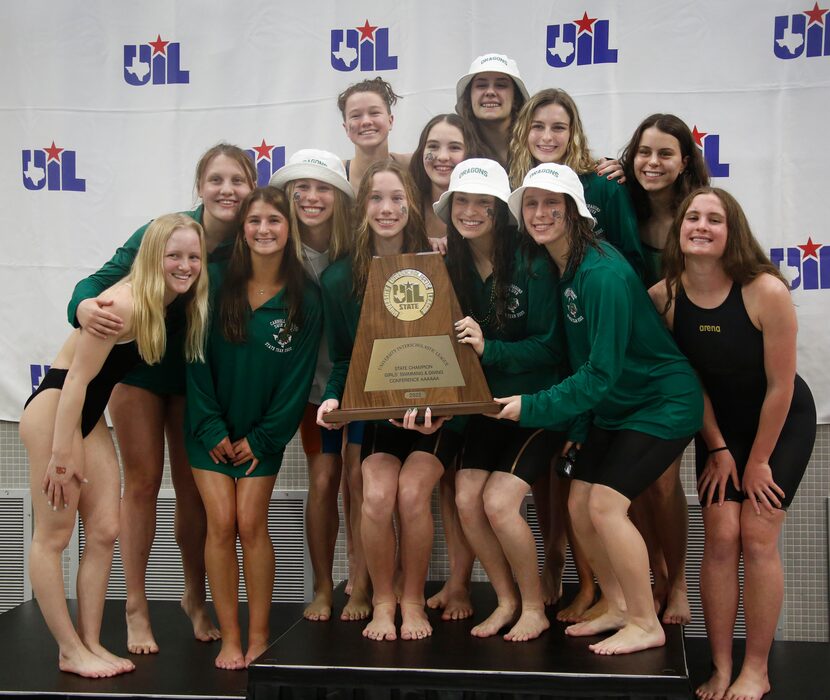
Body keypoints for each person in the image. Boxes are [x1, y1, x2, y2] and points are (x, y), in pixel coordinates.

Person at [496, 163, 703, 655]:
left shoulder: (602, 272)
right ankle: (614, 604)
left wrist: (532, 407)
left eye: (553, 203)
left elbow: (600, 371)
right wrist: (582, 423)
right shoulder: (563, 266)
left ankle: (644, 620)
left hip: (662, 403)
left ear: (575, 212)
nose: (541, 213)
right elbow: (579, 358)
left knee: (607, 506)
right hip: (615, 408)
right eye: (532, 203)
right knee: (578, 505)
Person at [67, 144, 256, 653]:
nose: (227, 190)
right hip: (139, 374)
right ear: (199, 186)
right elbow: (97, 281)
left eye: (237, 180)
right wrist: (81, 305)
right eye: (216, 179)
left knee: (194, 489)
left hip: (196, 377)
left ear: (251, 188)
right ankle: (135, 605)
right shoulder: (165, 231)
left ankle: (194, 596)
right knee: (144, 483)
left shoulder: (249, 241)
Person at [21, 214, 208, 678]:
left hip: (85, 416)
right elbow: (77, 382)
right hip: (57, 412)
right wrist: (62, 455)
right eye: (174, 256)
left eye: (193, 257)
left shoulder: (168, 301)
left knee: (105, 529)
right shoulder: (123, 303)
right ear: (151, 257)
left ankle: (90, 642)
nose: (185, 266)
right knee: (53, 536)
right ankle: (68, 649)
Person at [651, 187, 816, 700]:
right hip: (720, 431)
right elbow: (686, 381)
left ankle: (757, 668)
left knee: (758, 536)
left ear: (732, 231)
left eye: (714, 219)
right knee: (720, 538)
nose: (701, 225)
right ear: (679, 230)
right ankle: (722, 666)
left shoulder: (763, 290)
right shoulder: (665, 297)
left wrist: (759, 461)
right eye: (692, 217)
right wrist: (719, 448)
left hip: (780, 423)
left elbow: (781, 386)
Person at [508, 88, 645, 618]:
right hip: (574, 372)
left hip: (621, 376)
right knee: (572, 494)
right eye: (537, 125)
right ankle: (595, 592)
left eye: (558, 126)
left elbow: (627, 267)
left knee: (612, 499)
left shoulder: (601, 239)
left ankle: (645, 605)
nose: (547, 136)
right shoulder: (525, 201)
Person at [316, 160, 454, 642]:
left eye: (397, 198)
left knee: (413, 494)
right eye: (376, 198)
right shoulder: (337, 280)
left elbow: (457, 352)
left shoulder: (439, 263)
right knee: (374, 496)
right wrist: (332, 401)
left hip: (438, 414)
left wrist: (440, 414)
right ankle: (381, 600)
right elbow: (343, 360)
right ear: (361, 209)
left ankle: (412, 600)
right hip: (381, 415)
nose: (387, 208)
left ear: (412, 204)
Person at [186, 187, 322, 669]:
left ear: (290, 229)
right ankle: (229, 637)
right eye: (255, 221)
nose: (264, 230)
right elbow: (195, 360)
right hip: (209, 430)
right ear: (242, 229)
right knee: (220, 524)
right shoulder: (214, 280)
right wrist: (210, 427)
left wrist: (263, 439)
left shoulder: (307, 295)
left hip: (262, 433)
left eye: (275, 221)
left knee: (250, 523)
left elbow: (297, 380)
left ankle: (259, 636)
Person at [434, 159, 570, 641]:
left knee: (497, 501)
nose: (470, 212)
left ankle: (533, 606)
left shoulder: (533, 262)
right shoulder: (449, 264)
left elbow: (552, 349)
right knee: (467, 497)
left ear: (500, 210)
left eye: (482, 203)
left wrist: (491, 348)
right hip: (483, 407)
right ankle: (506, 600)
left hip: (533, 404)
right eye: (462, 202)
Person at [269, 150, 370, 623]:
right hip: (314, 391)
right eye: (301, 188)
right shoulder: (276, 245)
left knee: (360, 482)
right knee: (324, 481)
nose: (311, 197)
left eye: (323, 187)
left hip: (364, 384)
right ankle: (324, 587)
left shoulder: (357, 246)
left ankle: (362, 583)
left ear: (339, 196)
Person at [619, 114, 709, 624]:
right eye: (644, 152)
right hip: (636, 365)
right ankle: (650, 573)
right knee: (631, 485)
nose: (653, 163)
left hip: (688, 367)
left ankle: (677, 583)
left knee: (662, 484)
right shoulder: (622, 208)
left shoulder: (698, 216)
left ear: (685, 162)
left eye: (665, 154)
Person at [407, 115, 478, 620]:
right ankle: (372, 582)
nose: (442, 155)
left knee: (458, 483)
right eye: (433, 145)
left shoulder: (481, 211)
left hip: (469, 362)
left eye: (454, 146)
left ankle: (459, 585)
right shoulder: (406, 209)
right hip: (415, 365)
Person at [455, 53, 529, 167]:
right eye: (481, 85)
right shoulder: (455, 146)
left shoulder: (535, 147)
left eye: (500, 85)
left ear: (515, 98)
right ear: (469, 97)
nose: (490, 92)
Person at [337, 77, 411, 190]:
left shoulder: (412, 166)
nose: (366, 121)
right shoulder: (336, 174)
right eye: (356, 115)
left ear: (390, 121)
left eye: (374, 113)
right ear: (346, 128)